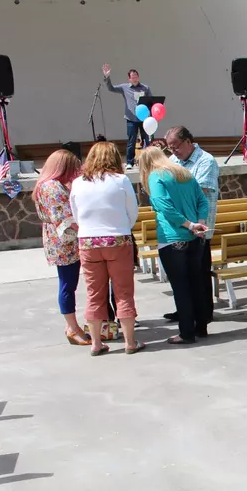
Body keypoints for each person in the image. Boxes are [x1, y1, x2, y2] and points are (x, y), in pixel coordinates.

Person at [70, 142, 144, 356]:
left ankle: (96, 343)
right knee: (123, 292)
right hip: (117, 239)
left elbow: (76, 214)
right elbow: (132, 212)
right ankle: (130, 342)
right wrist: (121, 227)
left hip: (88, 241)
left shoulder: (77, 183)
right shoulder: (121, 180)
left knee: (94, 293)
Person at [138, 147, 211, 344]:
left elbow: (164, 206)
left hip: (172, 238)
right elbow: (203, 201)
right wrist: (199, 222)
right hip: (196, 237)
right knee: (196, 283)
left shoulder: (155, 176)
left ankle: (186, 333)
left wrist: (188, 224)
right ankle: (201, 327)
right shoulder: (183, 172)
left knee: (181, 288)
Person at [32, 149, 89, 346]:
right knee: (67, 284)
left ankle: (72, 326)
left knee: (68, 283)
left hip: (57, 241)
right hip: (64, 242)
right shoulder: (53, 187)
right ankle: (73, 327)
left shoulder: (44, 185)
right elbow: (65, 220)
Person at [164, 127, 220, 324]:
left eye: (176, 146)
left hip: (200, 227)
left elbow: (200, 192)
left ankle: (204, 314)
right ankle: (186, 311)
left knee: (199, 272)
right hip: (181, 227)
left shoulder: (206, 161)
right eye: (169, 148)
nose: (173, 151)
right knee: (182, 273)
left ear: (188, 141)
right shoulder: (172, 161)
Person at [102, 64, 152, 169]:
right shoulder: (124, 87)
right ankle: (130, 162)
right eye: (132, 77)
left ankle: (148, 162)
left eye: (136, 77)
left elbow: (151, 102)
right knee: (131, 141)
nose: (135, 79)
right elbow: (111, 88)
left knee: (146, 140)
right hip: (131, 118)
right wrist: (107, 77)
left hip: (144, 119)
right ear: (129, 79)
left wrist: (151, 116)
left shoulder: (145, 88)